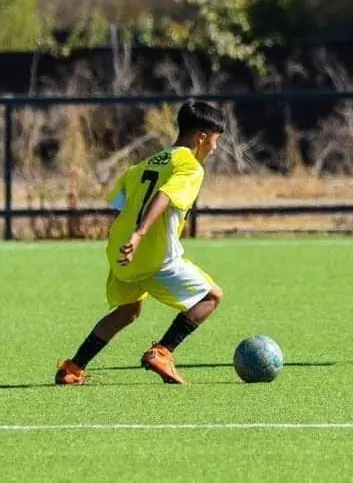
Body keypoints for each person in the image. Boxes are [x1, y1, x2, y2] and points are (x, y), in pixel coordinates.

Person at [55, 100, 226, 385]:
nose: (215, 148)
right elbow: (165, 196)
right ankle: (162, 352)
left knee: (127, 311)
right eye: (216, 140)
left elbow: (120, 204)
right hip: (153, 254)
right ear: (202, 137)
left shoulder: (142, 165)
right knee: (211, 296)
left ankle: (72, 368)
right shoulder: (190, 167)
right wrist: (140, 234)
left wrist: (128, 238)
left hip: (120, 254)